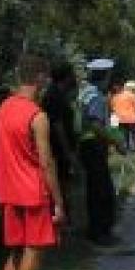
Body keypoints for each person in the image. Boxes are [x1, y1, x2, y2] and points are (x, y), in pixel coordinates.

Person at [0, 54, 64, 270]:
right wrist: (58, 202)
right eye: (45, 78)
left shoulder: (4, 108)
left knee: (16, 252)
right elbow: (46, 162)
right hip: (32, 191)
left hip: (9, 191)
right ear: (40, 78)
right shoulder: (37, 115)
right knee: (33, 252)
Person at [78, 58, 123, 247]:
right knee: (103, 191)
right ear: (105, 75)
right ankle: (101, 232)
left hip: (86, 144)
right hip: (94, 144)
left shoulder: (84, 93)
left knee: (94, 190)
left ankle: (94, 230)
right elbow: (96, 125)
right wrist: (114, 141)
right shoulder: (96, 96)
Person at [40, 60, 79, 227]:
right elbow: (58, 126)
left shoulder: (59, 94)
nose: (74, 78)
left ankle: (64, 219)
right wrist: (68, 152)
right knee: (61, 185)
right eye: (72, 74)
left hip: (60, 149)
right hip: (57, 150)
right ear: (66, 77)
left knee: (65, 184)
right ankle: (61, 221)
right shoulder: (54, 96)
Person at [111, 80, 135, 153]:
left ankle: (126, 150)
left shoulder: (115, 97)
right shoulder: (131, 95)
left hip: (120, 119)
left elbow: (113, 108)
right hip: (131, 118)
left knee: (125, 136)